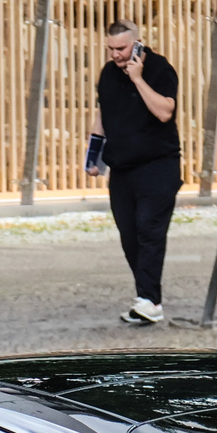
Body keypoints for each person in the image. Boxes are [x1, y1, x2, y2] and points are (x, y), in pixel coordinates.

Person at [85, 21, 181, 327]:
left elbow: (165, 111)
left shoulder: (159, 69)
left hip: (158, 164)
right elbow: (102, 115)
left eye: (122, 48)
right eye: (111, 49)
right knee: (129, 236)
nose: (116, 55)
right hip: (122, 168)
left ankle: (149, 300)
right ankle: (146, 298)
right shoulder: (107, 74)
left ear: (137, 43)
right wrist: (93, 157)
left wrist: (138, 79)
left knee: (149, 230)